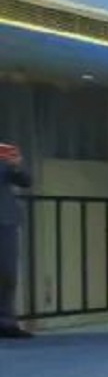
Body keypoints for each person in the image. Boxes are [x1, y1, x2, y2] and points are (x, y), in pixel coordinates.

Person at [0, 139, 30, 340]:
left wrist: (16, 165)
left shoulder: (3, 153)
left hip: (5, 220)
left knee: (7, 273)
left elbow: (26, 181)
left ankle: (6, 322)